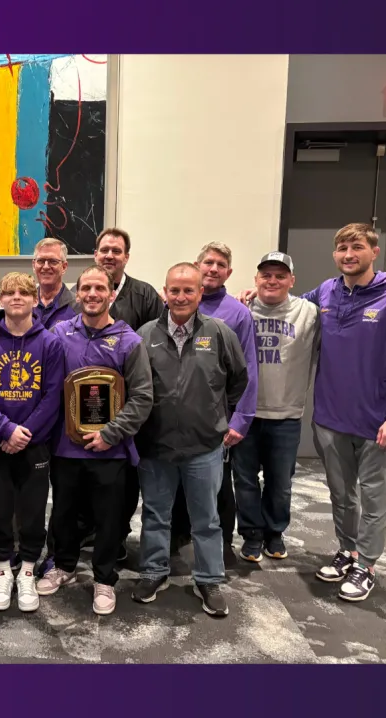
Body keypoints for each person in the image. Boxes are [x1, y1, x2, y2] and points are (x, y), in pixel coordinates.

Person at [243, 225, 386, 601]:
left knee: (375, 497)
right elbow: (290, 301)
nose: (348, 254)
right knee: (342, 495)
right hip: (329, 417)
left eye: (357, 247)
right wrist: (251, 293)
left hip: (377, 420)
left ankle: (368, 565)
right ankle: (348, 552)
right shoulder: (324, 295)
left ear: (374, 251)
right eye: (342, 247)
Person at [131, 263, 248, 617]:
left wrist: (213, 416)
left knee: (206, 518)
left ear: (200, 294)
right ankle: (153, 571)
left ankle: (209, 578)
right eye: (174, 290)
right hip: (156, 445)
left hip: (204, 447)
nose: (181, 297)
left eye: (189, 291)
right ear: (164, 293)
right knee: (154, 514)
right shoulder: (145, 335)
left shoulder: (220, 333)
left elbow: (238, 381)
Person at [36, 265, 153, 615]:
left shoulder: (129, 341)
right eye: (85, 287)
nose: (92, 294)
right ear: (78, 291)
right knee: (65, 513)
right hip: (65, 448)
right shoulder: (57, 334)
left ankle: (104, 579)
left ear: (111, 293)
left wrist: (110, 433)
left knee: (108, 519)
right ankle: (65, 567)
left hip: (111, 450)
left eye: (99, 288)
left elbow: (143, 397)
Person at [0, 272, 64, 611]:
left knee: (33, 508)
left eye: (23, 292)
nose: (16, 298)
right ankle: (3, 568)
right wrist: (5, 430)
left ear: (34, 299)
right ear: (1, 299)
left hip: (34, 443)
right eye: (9, 292)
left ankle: (26, 570)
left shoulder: (49, 343)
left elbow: (53, 394)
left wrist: (24, 433)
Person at [171, 242, 258, 560]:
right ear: (197, 266)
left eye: (221, 265)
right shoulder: (175, 306)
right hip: (177, 420)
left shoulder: (238, 314)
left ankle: (221, 544)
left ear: (229, 272)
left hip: (216, 420)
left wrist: (240, 420)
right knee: (178, 483)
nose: (213, 269)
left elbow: (248, 370)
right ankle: (178, 535)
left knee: (219, 486)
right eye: (208, 262)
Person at [232, 252, 319, 563]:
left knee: (280, 482)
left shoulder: (309, 312)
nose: (272, 280)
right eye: (266, 275)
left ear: (291, 281)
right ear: (256, 279)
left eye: (280, 275)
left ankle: (275, 531)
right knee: (244, 480)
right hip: (246, 414)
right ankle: (252, 534)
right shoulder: (241, 310)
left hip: (286, 415)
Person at [94, 228, 164, 558]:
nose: (109, 255)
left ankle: (118, 535)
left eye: (116, 251)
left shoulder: (146, 295)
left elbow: (157, 341)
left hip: (130, 403)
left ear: (126, 257)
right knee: (84, 474)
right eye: (104, 249)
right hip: (85, 402)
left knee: (124, 479)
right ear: (96, 254)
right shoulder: (84, 292)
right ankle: (88, 531)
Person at [32, 238, 77, 329]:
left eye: (53, 261)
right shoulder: (25, 304)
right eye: (41, 261)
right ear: (34, 265)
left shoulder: (78, 306)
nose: (46, 266)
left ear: (64, 267)